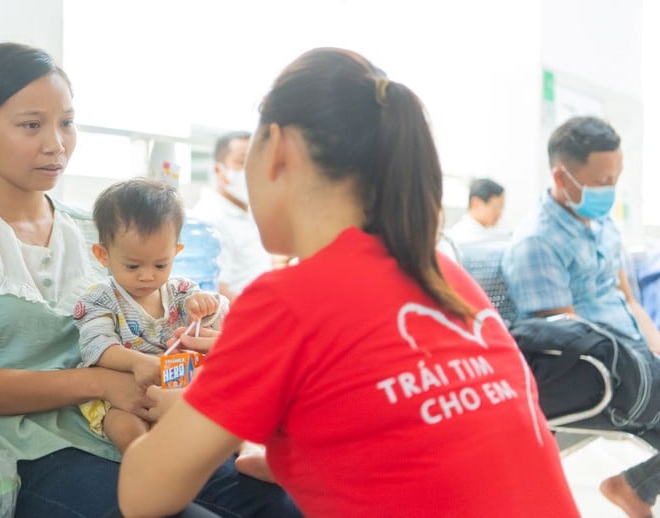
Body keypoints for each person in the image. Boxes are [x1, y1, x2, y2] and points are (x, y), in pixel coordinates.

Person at [117, 47, 579, 518]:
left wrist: (188, 413)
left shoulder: (288, 301)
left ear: (277, 148)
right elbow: (416, 435)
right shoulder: (441, 272)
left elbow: (140, 497)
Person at [0, 42, 300, 518]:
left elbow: (160, 313)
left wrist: (193, 336)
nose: (56, 143)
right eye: (32, 125)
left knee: (282, 504)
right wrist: (101, 383)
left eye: (67, 123)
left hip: (133, 420)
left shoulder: (97, 230)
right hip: (26, 448)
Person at [502, 115, 660, 518]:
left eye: (616, 178)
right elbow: (567, 342)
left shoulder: (603, 225)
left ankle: (635, 488)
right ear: (562, 175)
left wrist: (654, 351)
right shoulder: (537, 243)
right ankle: (634, 488)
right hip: (599, 375)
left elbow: (629, 299)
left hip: (635, 361)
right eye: (602, 181)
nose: (611, 190)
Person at [75, 177, 228, 453]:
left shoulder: (182, 291)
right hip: (123, 393)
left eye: (160, 264)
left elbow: (209, 324)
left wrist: (205, 306)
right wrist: (137, 362)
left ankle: (244, 451)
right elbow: (96, 346)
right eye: (133, 266)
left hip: (177, 390)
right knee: (123, 426)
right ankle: (144, 463)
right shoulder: (99, 298)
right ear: (103, 255)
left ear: (176, 252)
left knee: (219, 416)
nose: (147, 276)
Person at [191, 131, 275, 302]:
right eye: (242, 162)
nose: (252, 170)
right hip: (242, 319)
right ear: (218, 170)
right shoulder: (210, 218)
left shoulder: (246, 209)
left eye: (258, 162)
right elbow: (217, 291)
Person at [445, 178, 508, 244]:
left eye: (501, 208)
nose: (499, 213)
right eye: (495, 207)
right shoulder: (463, 236)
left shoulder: (487, 233)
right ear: (476, 203)